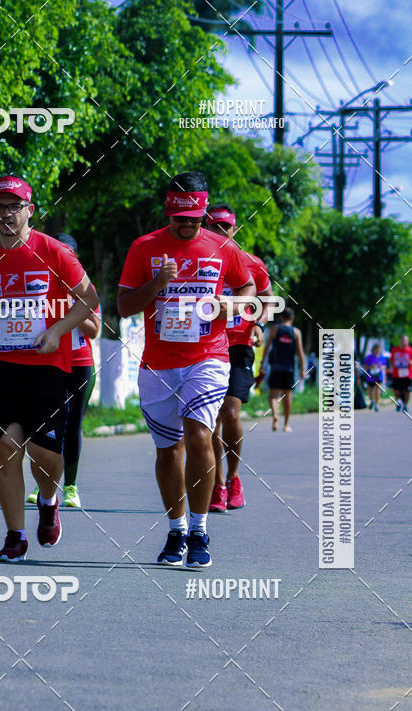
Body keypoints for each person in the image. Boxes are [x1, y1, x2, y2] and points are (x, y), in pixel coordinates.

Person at [0, 175, 99, 560]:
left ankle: (48, 500)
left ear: (29, 211)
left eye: (14, 207)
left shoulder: (53, 251)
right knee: (6, 448)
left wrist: (57, 330)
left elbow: (89, 299)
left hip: (47, 368)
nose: (6, 214)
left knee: (45, 454)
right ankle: (16, 536)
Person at [117, 172, 255, 567]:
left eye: (194, 219)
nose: (187, 226)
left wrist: (232, 305)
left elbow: (247, 289)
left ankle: (199, 530)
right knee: (167, 451)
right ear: (168, 212)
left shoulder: (222, 247)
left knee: (198, 436)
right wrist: (156, 284)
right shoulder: (144, 247)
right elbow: (124, 306)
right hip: (158, 365)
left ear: (203, 215)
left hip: (208, 357)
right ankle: (176, 530)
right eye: (180, 219)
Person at [204, 203, 272, 512]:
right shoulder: (201, 261)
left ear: (235, 229)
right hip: (208, 344)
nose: (220, 232)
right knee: (211, 419)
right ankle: (217, 484)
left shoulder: (252, 263)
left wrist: (259, 324)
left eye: (225, 227)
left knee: (230, 412)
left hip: (240, 345)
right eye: (214, 226)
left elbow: (267, 299)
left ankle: (233, 478)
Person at [27, 233, 101, 508]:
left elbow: (94, 330)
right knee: (46, 424)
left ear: (75, 258)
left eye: (68, 254)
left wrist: (74, 310)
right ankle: (43, 484)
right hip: (48, 362)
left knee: (72, 424)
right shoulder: (39, 286)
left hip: (80, 363)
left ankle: (70, 487)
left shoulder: (85, 287)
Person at [260, 307, 305, 432]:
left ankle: (275, 414)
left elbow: (266, 347)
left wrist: (262, 363)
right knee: (287, 395)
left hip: (275, 367)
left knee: (273, 395)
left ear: (281, 317)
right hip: (289, 369)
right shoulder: (296, 332)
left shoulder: (275, 329)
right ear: (292, 318)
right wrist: (302, 369)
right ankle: (286, 424)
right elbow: (300, 352)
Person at [389, 335, 412, 412]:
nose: (403, 342)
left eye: (405, 340)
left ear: (407, 342)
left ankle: (405, 405)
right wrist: (391, 367)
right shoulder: (395, 350)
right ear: (400, 341)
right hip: (396, 374)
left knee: (407, 391)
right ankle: (398, 401)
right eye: (402, 340)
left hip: (407, 374)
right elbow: (391, 360)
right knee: (396, 390)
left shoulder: (411, 350)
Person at [363, 343, 386, 411]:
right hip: (371, 376)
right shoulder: (369, 357)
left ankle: (376, 404)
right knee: (370, 391)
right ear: (373, 350)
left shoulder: (382, 357)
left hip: (379, 376)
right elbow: (365, 366)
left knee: (378, 389)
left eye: (378, 349)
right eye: (376, 349)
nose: (377, 351)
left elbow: (384, 366)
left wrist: (379, 367)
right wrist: (371, 367)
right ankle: (372, 401)